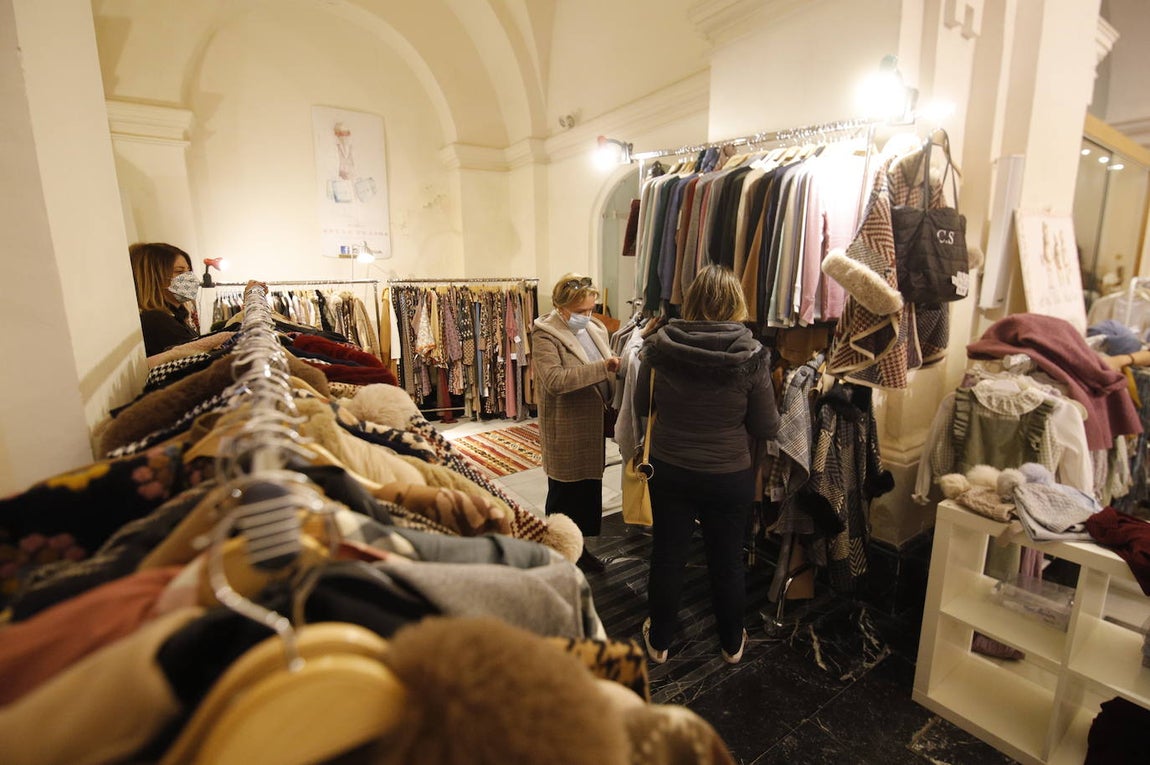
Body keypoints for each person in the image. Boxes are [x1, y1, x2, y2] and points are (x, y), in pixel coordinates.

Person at [634, 264, 779, 665]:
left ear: (692, 299)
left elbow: (639, 406)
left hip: (671, 468)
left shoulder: (660, 347)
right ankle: (732, 643)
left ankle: (660, 641)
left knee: (667, 554)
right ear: (737, 303)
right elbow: (766, 425)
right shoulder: (752, 355)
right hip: (728, 473)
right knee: (727, 558)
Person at [531, 273, 621, 572]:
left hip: (592, 424)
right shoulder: (545, 335)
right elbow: (555, 380)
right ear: (561, 306)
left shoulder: (595, 328)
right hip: (566, 426)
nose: (588, 316)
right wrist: (603, 368)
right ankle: (557, 552)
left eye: (591, 309)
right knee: (564, 494)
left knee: (588, 490)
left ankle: (580, 549)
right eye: (580, 311)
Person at [128, 242, 201, 356]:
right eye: (179, 271)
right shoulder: (156, 321)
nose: (190, 278)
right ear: (154, 277)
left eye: (189, 271)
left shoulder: (176, 317)